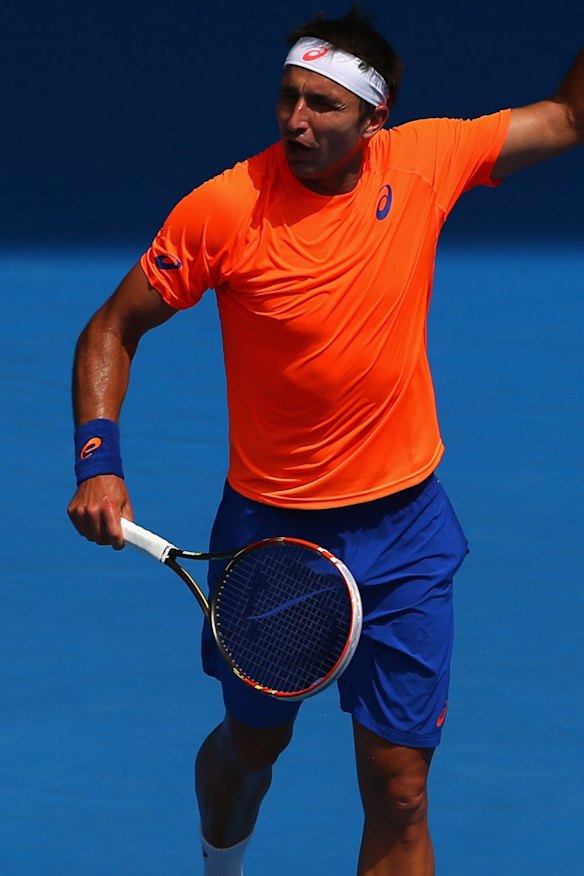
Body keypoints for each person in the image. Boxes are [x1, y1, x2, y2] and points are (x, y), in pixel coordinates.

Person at [67, 8, 583, 875]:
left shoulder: (427, 160)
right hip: (274, 540)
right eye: (287, 97)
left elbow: (569, 118)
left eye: (323, 106)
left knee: (401, 790)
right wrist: (99, 462)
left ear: (373, 119)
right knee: (251, 754)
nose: (295, 121)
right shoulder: (226, 209)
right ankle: (219, 862)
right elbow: (111, 329)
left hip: (407, 531)